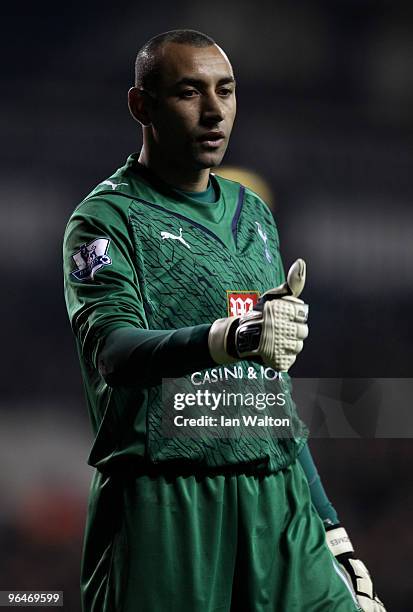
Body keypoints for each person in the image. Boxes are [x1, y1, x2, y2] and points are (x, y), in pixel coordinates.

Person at [63, 29, 385, 612]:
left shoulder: (253, 214)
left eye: (226, 91)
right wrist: (230, 337)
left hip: (276, 499)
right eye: (190, 92)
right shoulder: (105, 219)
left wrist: (331, 527)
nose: (214, 111)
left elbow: (271, 390)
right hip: (169, 501)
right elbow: (114, 350)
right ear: (142, 106)